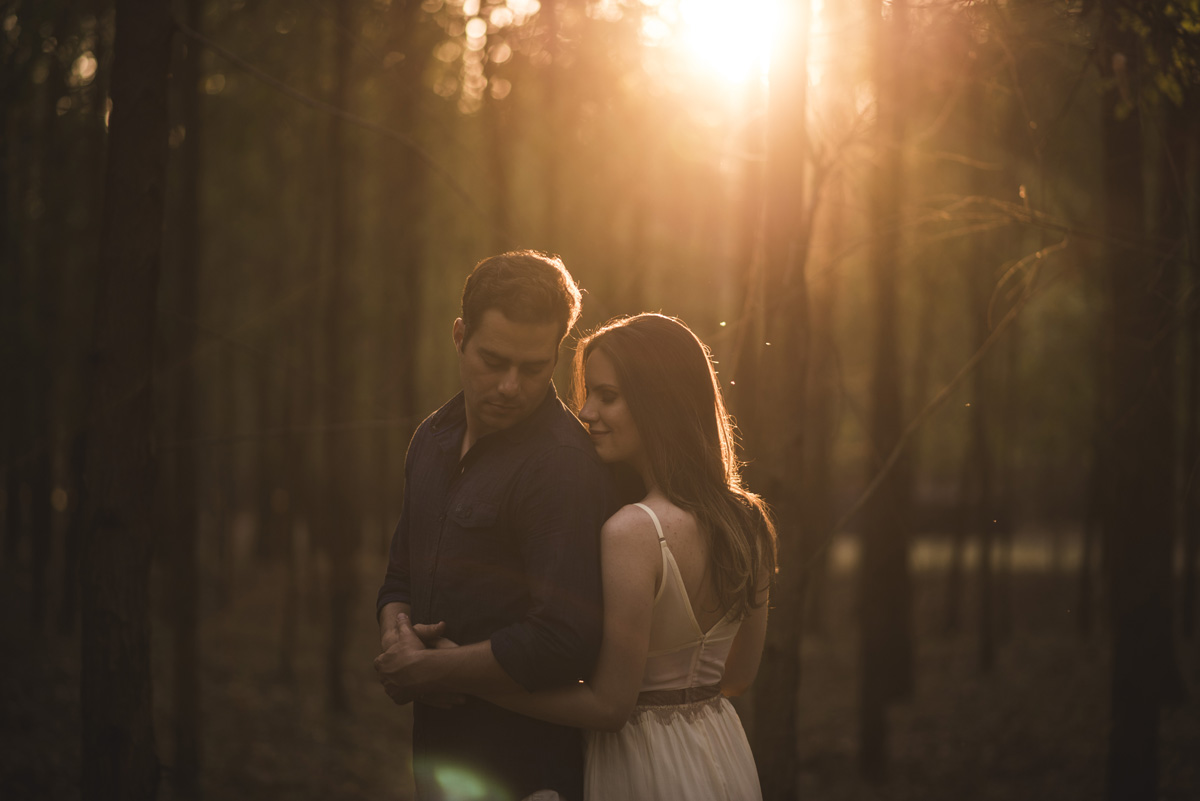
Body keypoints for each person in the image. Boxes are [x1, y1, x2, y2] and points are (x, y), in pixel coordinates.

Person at [392, 313, 776, 800]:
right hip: (721, 756)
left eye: (607, 396)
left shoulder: (635, 531)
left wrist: (465, 679)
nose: (587, 412)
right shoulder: (749, 522)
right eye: (588, 393)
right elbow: (737, 679)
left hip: (642, 765)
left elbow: (610, 708)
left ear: (660, 401)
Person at [374, 251, 616, 801]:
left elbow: (565, 639)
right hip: (437, 762)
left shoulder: (562, 466)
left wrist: (430, 672)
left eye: (534, 368)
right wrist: (398, 638)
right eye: (493, 360)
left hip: (530, 775)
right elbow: (399, 580)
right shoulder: (432, 438)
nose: (511, 386)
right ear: (460, 336)